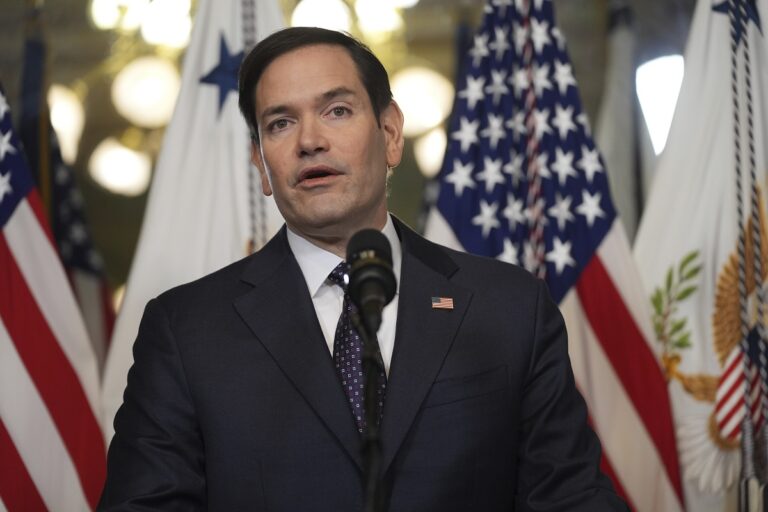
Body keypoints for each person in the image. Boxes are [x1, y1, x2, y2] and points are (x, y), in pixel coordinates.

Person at [99, 27, 628, 511]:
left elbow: (572, 499)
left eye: (336, 111)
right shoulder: (187, 329)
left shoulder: (508, 308)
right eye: (280, 123)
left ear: (391, 133)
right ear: (261, 164)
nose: (309, 140)